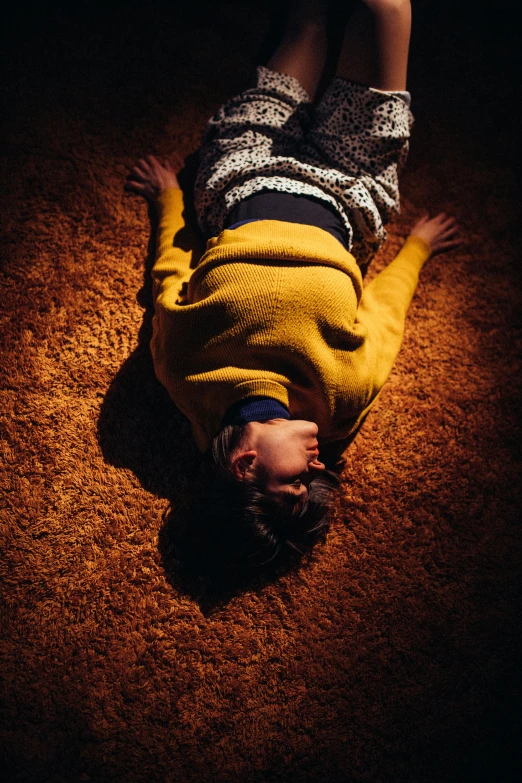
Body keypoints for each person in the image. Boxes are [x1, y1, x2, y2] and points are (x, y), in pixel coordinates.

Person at [125, 0, 460, 572]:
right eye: (317, 485)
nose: (319, 472)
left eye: (295, 486)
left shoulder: (184, 370)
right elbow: (383, 318)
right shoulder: (339, 405)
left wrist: (167, 198)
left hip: (241, 176)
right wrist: (418, 247)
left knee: (308, 22)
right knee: (386, 11)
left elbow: (172, 273)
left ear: (245, 464)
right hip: (350, 193)